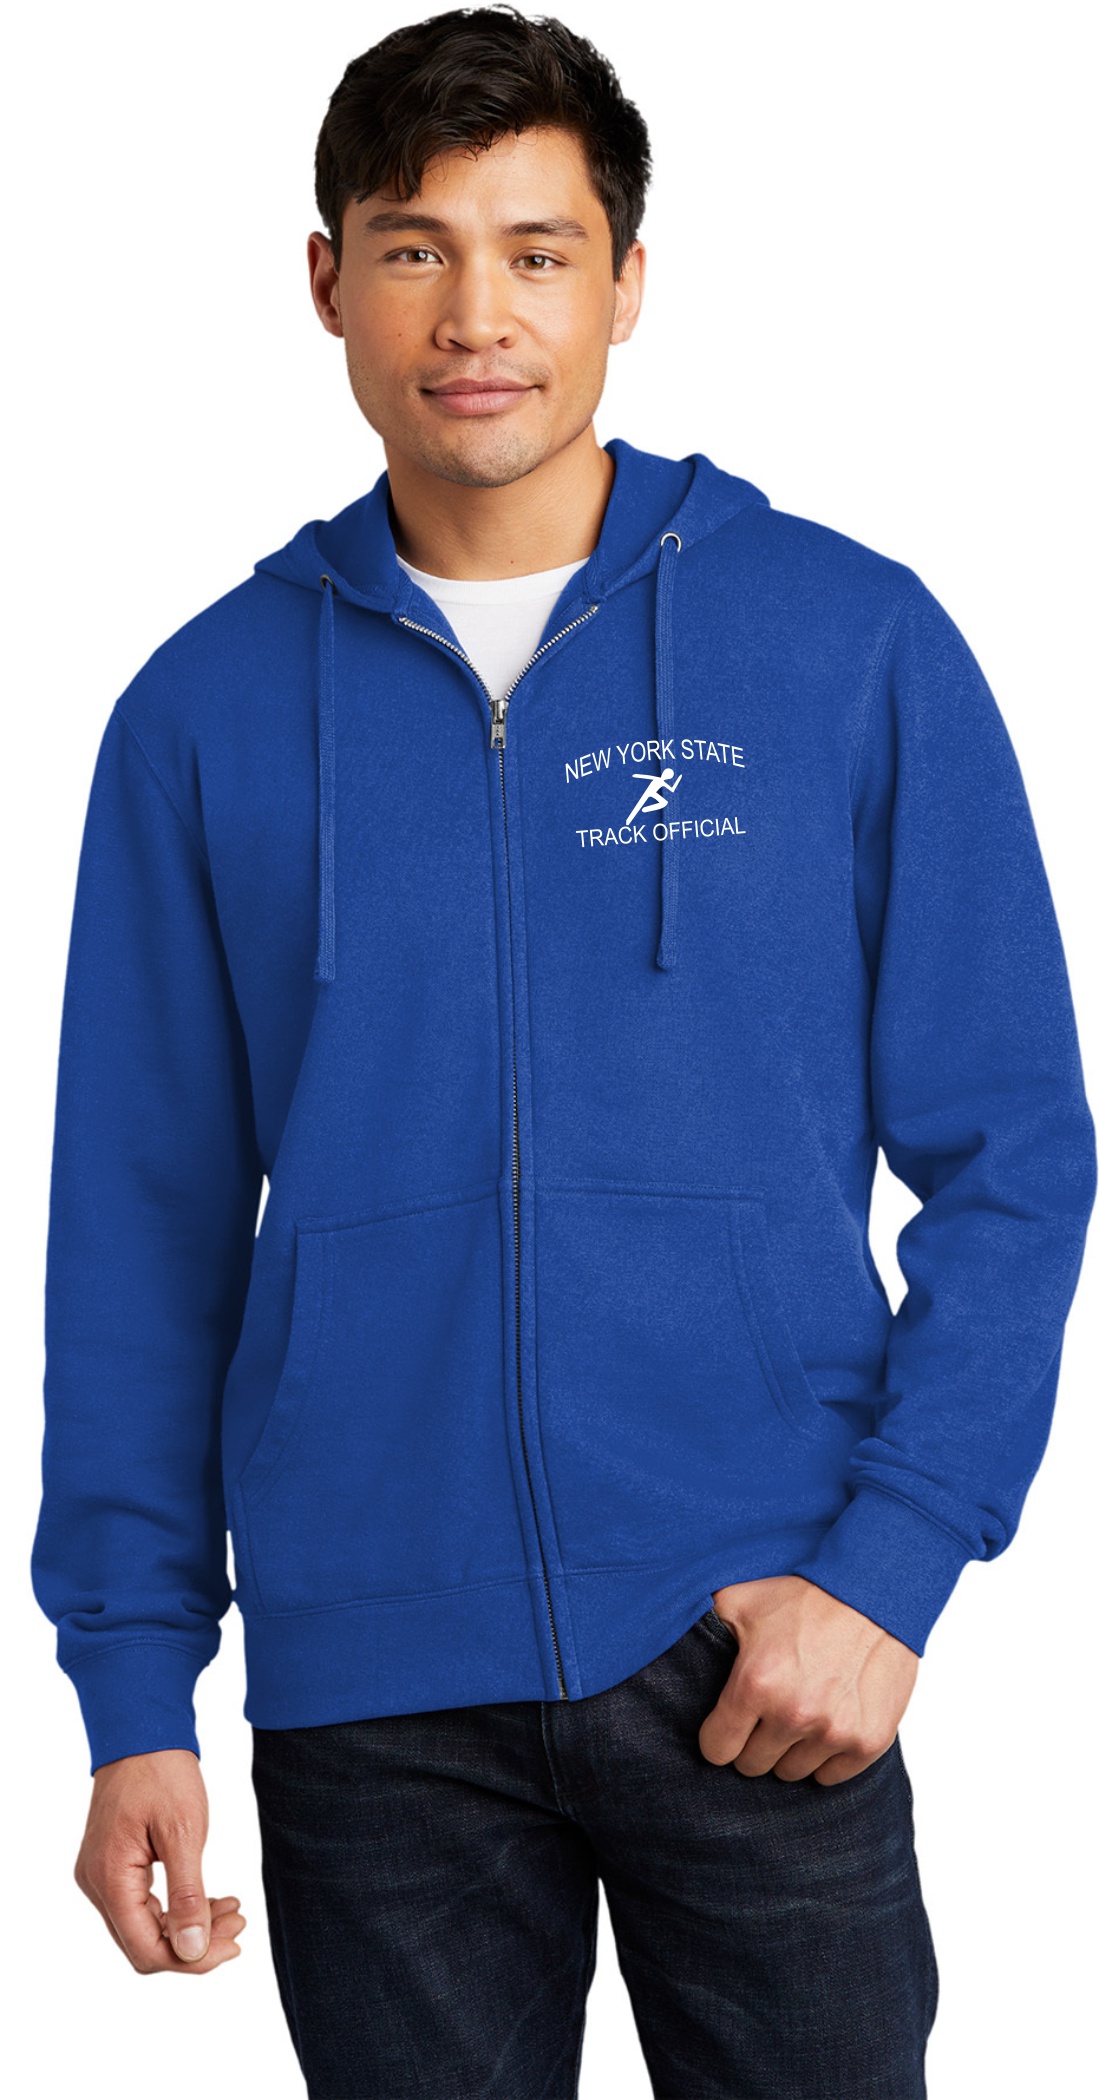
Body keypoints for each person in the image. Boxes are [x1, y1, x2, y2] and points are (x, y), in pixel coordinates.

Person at [31, 9, 1096, 2096]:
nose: (477, 315)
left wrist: (887, 1571)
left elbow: (1017, 1153)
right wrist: (134, 1691)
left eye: (538, 250)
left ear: (627, 280)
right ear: (327, 281)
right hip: (371, 1690)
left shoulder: (847, 642)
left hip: (758, 1640)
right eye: (414, 248)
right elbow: (139, 1238)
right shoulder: (200, 714)